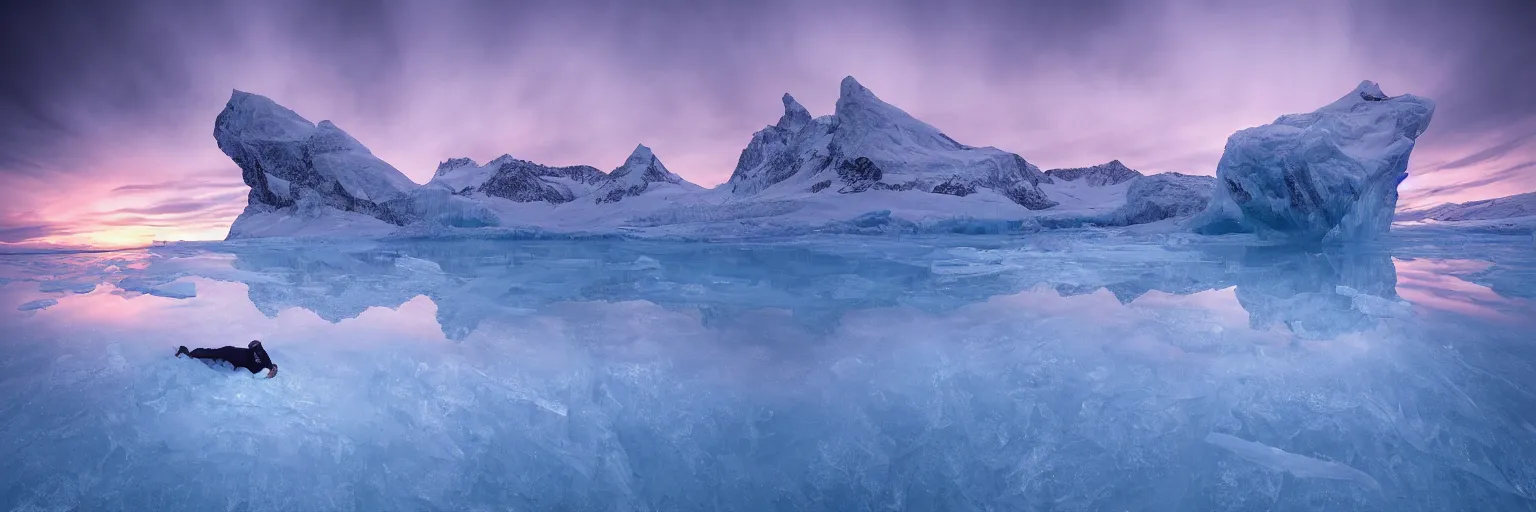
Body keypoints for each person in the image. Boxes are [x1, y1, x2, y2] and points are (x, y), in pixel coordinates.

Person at [176, 340, 278, 378]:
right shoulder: (266, 365)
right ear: (272, 369)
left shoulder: (260, 370)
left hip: (233, 358)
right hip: (233, 354)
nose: (270, 375)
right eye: (273, 372)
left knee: (213, 356)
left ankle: (189, 355)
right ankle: (186, 353)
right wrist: (256, 346)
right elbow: (260, 351)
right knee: (213, 354)